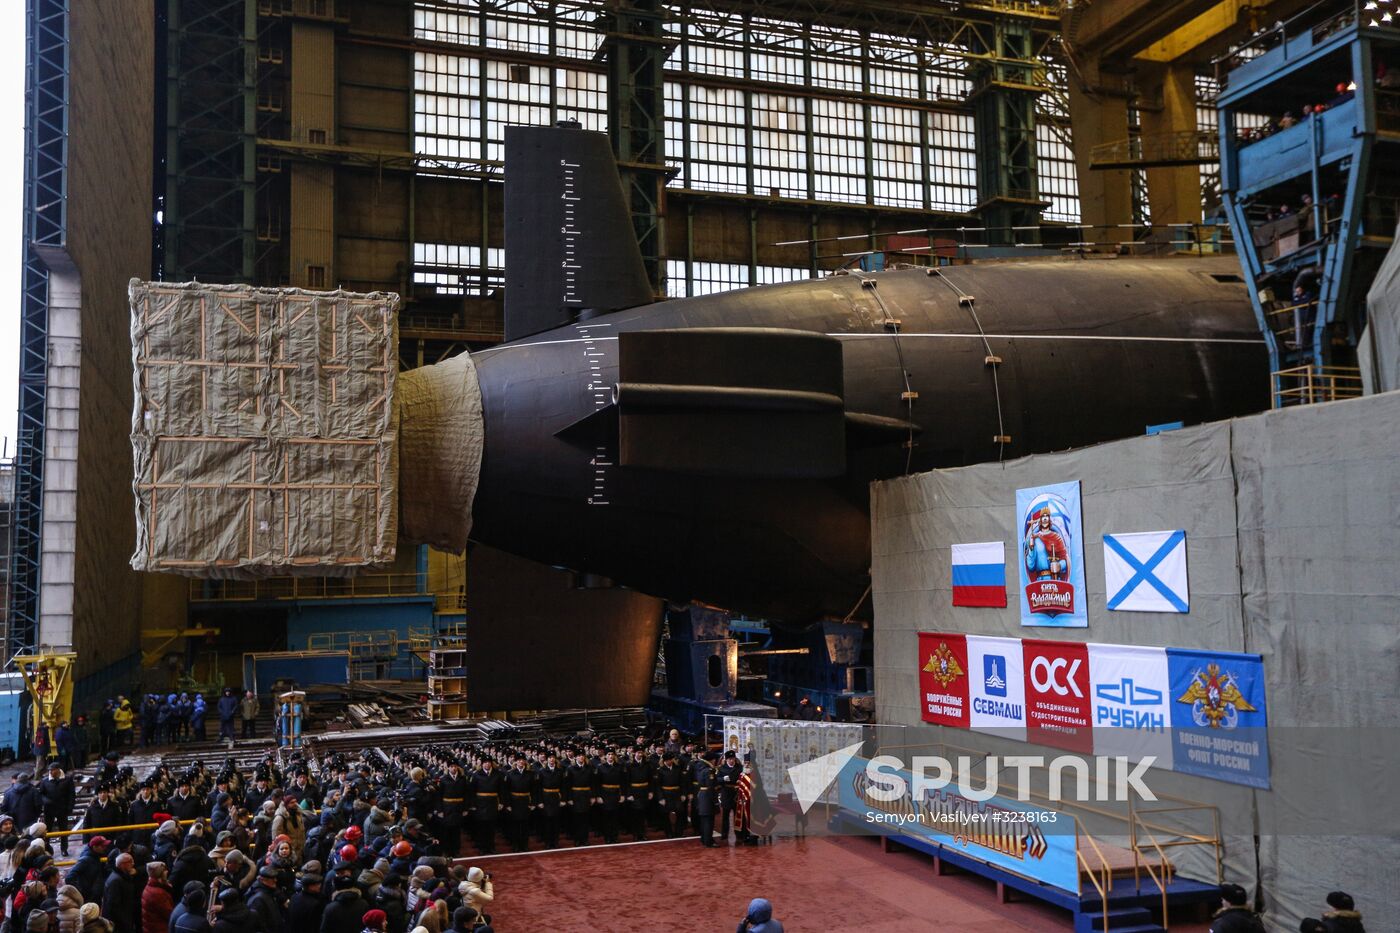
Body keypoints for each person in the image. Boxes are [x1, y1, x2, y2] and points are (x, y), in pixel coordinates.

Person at [40, 761, 76, 856]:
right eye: (50, 770)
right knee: (47, 831)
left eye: (53, 770)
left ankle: (64, 848)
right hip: (49, 810)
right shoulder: (45, 781)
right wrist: (46, 801)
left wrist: (70, 807)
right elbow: (41, 794)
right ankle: (46, 848)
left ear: (58, 770)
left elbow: (71, 794)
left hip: (62, 809)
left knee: (63, 830)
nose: (51, 772)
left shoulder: (67, 780)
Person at [65, 835, 113, 904]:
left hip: (94, 896)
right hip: (89, 898)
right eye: (102, 846)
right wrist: (81, 892)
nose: (105, 848)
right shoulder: (85, 860)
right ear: (94, 847)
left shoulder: (96, 856)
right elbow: (69, 878)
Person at [102, 852, 141, 933]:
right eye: (130, 861)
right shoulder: (116, 881)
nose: (133, 864)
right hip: (120, 925)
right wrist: (125, 924)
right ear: (122, 865)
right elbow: (114, 907)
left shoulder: (122, 876)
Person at [141, 862, 175, 933]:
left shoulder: (150, 887)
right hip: (160, 929)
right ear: (159, 874)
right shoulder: (158, 893)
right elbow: (169, 914)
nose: (167, 871)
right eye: (164, 870)